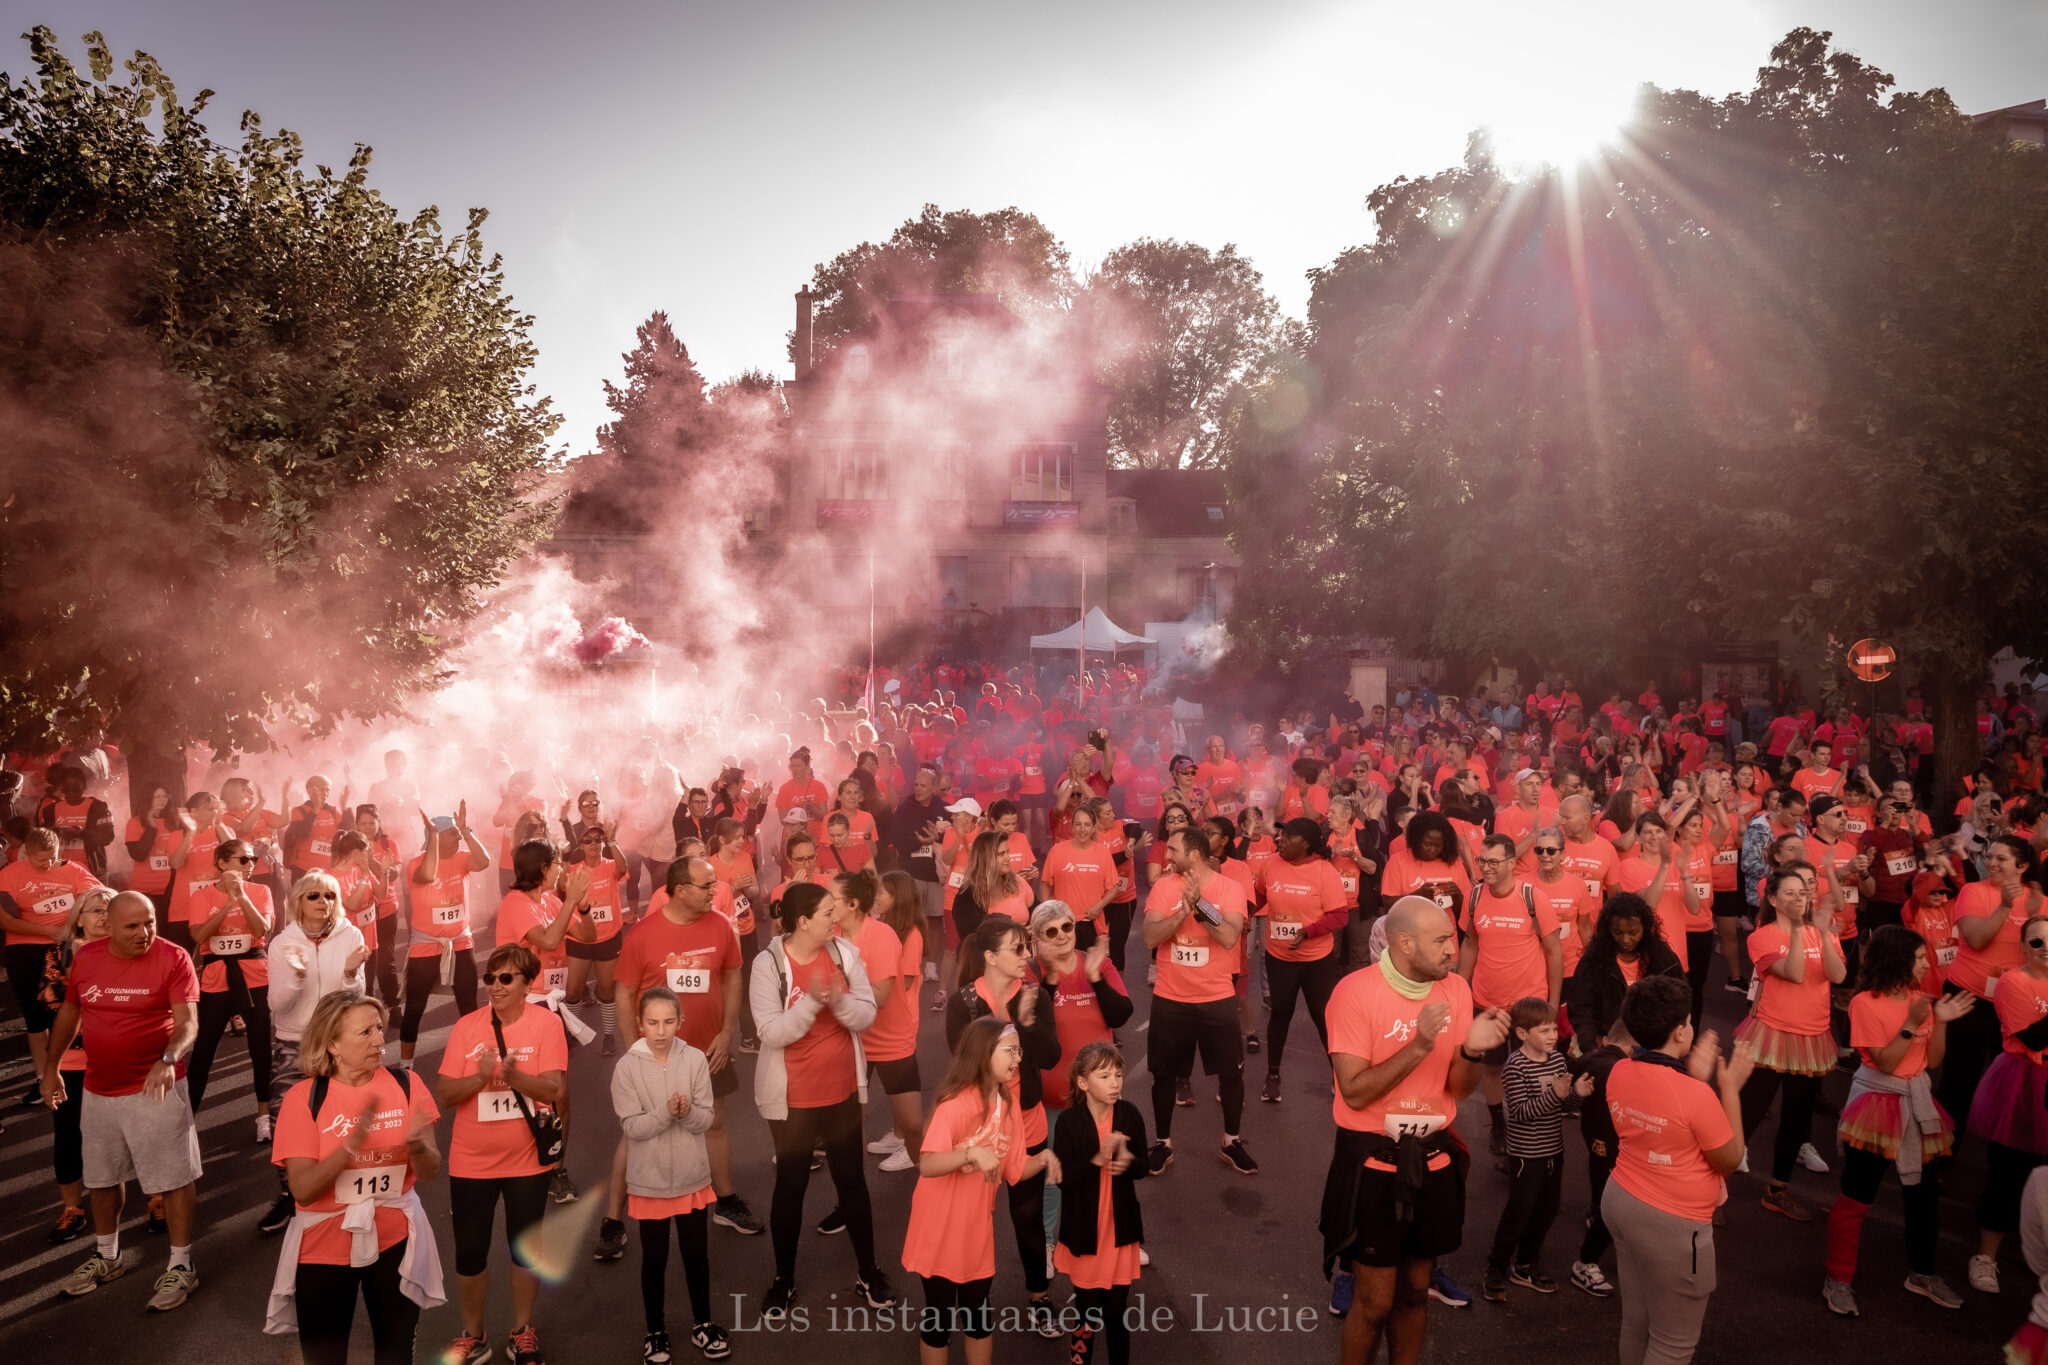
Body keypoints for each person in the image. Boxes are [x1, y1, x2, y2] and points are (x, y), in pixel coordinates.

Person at [1321, 895, 1510, 1365]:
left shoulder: (1457, 991)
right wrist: (1420, 1044)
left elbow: (1459, 1090)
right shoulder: (1353, 992)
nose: (1454, 948)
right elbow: (1355, 1092)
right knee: (1374, 1302)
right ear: (1405, 943)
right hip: (1372, 1158)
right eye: (1442, 939)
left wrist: (1471, 1052)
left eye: (1452, 937)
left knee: (1413, 1291)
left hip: (1433, 1155)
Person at [42, 890, 204, 1311]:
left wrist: (168, 1058)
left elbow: (188, 1022)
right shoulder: (88, 958)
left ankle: (182, 1265)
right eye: (131, 926)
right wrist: (51, 1067)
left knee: (173, 1178)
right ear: (108, 927)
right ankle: (107, 1256)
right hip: (99, 1090)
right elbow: (70, 1012)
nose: (143, 933)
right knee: (100, 1178)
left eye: (148, 922)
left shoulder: (173, 957)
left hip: (157, 1088)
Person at [263, 989, 444, 1365]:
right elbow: (303, 1190)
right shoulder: (304, 1097)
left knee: (395, 1356)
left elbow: (429, 1171)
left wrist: (418, 1146)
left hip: (395, 1239)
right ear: (332, 1043)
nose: (380, 1040)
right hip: (324, 1248)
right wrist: (349, 1147)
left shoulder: (407, 1085)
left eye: (379, 1028)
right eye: (365, 1033)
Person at [749, 882, 896, 1320]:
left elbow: (867, 1014)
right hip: (791, 1097)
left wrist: (840, 1002)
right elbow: (770, 1032)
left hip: (842, 1090)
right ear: (802, 922)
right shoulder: (768, 963)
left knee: (851, 1179)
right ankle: (784, 1279)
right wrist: (812, 1002)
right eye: (828, 913)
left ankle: (868, 1271)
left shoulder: (844, 954)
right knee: (791, 1185)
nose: (837, 919)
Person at [1819, 924, 1972, 1315]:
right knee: (1857, 1197)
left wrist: (1942, 1021)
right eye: (1920, 958)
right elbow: (1885, 1062)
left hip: (1917, 1101)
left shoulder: (1923, 1000)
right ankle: (1837, 1279)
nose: (1927, 964)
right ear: (1899, 960)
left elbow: (1933, 1061)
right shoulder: (1864, 1003)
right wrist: (1913, 1021)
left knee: (1923, 1199)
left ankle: (1922, 1273)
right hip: (1876, 1103)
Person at [1603, 975, 1752, 1365]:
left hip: (1621, 1199)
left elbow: (1666, 1114)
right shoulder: (1694, 1093)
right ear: (1681, 1030)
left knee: (1635, 1324)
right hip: (1673, 1224)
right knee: (1672, 1345)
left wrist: (1694, 1079)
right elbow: (1730, 1159)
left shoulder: (1618, 1070)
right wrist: (1731, 1088)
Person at [434, 942, 568, 1365]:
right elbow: (444, 1095)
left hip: (527, 1159)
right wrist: (479, 1077)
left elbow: (553, 1090)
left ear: (528, 984)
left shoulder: (546, 1025)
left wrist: (514, 1076)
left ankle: (522, 1331)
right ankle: (473, 1335)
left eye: (505, 978)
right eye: (489, 978)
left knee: (524, 1248)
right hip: (471, 1162)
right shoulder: (467, 1027)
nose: (494, 986)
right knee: (469, 1252)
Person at [903, 1016, 1060, 1365]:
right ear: (983, 1053)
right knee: (939, 1318)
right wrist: (970, 1153)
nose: (1018, 1057)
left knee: (978, 1316)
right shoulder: (955, 1104)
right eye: (1010, 1050)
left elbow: (1016, 1170)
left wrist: (1046, 1157)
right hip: (939, 1229)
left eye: (1019, 1050)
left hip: (975, 1230)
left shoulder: (1008, 1108)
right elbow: (927, 1164)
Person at [946, 914, 1064, 1335]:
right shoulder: (963, 1002)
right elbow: (962, 1068)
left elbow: (1050, 1058)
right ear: (990, 957)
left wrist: (1028, 1025)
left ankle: (1038, 1297)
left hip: (1027, 1122)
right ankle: (975, 1300)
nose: (1027, 955)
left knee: (1027, 1216)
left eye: (1026, 946)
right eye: (1018, 948)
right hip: (979, 1128)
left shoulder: (1034, 996)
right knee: (974, 1218)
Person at [612, 986, 730, 1362]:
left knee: (698, 1255)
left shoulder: (695, 1059)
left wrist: (686, 1113)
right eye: (652, 1022)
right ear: (638, 1022)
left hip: (693, 1179)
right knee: (655, 1259)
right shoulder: (627, 1067)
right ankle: (655, 1331)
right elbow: (633, 1127)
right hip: (650, 1182)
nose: (660, 1031)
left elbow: (706, 1119)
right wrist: (667, 1113)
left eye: (668, 1022)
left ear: (681, 1022)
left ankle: (703, 1323)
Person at [1142, 826, 1256, 1177]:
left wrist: (1200, 906)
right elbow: (1150, 936)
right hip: (1170, 998)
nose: (1167, 856)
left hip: (1216, 998)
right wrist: (1181, 912)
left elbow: (1228, 937)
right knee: (1163, 1075)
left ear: (1193, 854)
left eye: (1173, 850)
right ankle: (1163, 1144)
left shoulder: (1230, 889)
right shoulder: (1163, 886)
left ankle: (1231, 1141)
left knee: (1231, 1074)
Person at [261, 871, 370, 1235]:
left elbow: (355, 999)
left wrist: (352, 972)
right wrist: (295, 977)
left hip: (337, 1046)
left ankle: (349, 1191)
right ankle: (289, 1194)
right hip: (294, 1043)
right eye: (314, 896)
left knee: (343, 1122)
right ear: (299, 901)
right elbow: (275, 1003)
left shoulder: (350, 934)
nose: (322, 902)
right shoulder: (283, 943)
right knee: (285, 1123)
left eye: (329, 895)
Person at [1737, 866, 1846, 1220]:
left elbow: (1840, 975)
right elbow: (1796, 973)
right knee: (1747, 1113)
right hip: (1772, 1034)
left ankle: (1778, 1189)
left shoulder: (1822, 932)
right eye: (1790, 893)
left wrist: (1825, 936)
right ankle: (1712, 1184)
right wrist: (1801, 930)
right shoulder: (1762, 937)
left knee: (1797, 1119)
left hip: (1813, 1038)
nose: (1800, 898)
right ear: (1772, 898)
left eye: (1803, 893)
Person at [1458, 832, 1563, 1156]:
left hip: (1528, 1005)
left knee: (1530, 1068)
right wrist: (1461, 994)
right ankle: (1499, 1127)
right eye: (1481, 861)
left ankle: (1527, 1129)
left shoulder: (1534, 898)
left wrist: (1553, 1006)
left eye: (1492, 862)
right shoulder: (1474, 897)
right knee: (1491, 1067)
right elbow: (1471, 944)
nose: (1485, 868)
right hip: (1486, 1002)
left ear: (1511, 863)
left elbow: (1554, 952)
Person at [1483, 997, 1592, 1301]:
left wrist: (1577, 1095)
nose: (1551, 1036)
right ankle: (1496, 1266)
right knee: (1519, 1212)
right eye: (1543, 1031)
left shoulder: (1557, 1060)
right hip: (1525, 1157)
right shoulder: (1514, 1066)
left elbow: (1564, 1104)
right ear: (1521, 1034)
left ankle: (1526, 1264)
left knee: (1547, 1209)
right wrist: (1555, 1095)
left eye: (1553, 1030)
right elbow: (1518, 1112)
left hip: (1553, 1152)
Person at [1052, 1041, 1148, 1365]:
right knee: (1086, 1315)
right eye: (1104, 1076)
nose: (1115, 1083)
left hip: (1119, 1235)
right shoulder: (1068, 1122)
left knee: (1117, 1314)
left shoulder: (1130, 1114)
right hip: (1085, 1237)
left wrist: (1128, 1161)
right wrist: (1098, 1158)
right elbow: (1064, 1178)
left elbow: (1143, 1168)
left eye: (1118, 1075)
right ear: (1083, 1082)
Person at [1967, 912, 2048, 1296]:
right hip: (2024, 1085)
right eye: (2037, 942)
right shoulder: (2013, 982)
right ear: (2023, 947)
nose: (2045, 949)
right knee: (2009, 1172)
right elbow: (2033, 1039)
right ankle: (1985, 1257)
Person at [1942, 834, 2040, 1137]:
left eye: (2001, 858)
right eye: (1990, 856)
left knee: (2012, 1083)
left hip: (2013, 1005)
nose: (1991, 862)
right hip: (1966, 997)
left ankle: (2001, 1152)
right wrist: (2005, 907)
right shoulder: (1973, 891)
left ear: (2022, 866)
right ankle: (1942, 1154)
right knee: (1958, 1079)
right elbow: (1976, 939)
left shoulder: (2041, 902)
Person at [1, 826, 104, 1115]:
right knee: (35, 1015)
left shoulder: (74, 870)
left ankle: (76, 1071)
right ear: (26, 853)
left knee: (72, 1008)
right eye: (40, 861)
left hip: (69, 944)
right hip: (25, 947)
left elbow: (99, 901)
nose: (47, 865)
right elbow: (6, 920)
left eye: (52, 858)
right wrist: (49, 929)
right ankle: (41, 1077)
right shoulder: (10, 873)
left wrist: (72, 933)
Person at [1256, 817, 1350, 1106]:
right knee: (1280, 1013)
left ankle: (1339, 1076)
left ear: (1306, 843)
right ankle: (1273, 1076)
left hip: (1315, 960)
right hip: (1279, 956)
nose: (1279, 840)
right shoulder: (1270, 864)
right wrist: (1240, 917)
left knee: (1324, 1018)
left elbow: (1339, 915)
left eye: (1288, 836)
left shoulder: (1324, 872)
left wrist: (1308, 931)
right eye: (1281, 835)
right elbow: (1258, 895)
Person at [183, 838, 276, 1130]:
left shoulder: (262, 890)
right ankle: (185, 1121)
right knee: (203, 1051)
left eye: (252, 860)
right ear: (222, 863)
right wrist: (227, 906)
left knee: (260, 1047)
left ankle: (263, 1116)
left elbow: (262, 929)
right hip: (217, 979)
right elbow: (199, 937)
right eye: (242, 860)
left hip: (255, 976)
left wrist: (242, 897)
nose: (250, 865)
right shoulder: (201, 896)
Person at [42, 886, 114, 1243]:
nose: (104, 917)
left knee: (131, 1134)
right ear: (79, 919)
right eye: (97, 910)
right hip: (74, 1060)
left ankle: (156, 1198)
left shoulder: (130, 950)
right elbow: (52, 1002)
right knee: (69, 1135)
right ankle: (72, 1208)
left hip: (122, 1060)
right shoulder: (60, 953)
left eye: (110, 910)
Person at [401, 805, 492, 1063]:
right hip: (426, 944)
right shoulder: (415, 864)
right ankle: (406, 1065)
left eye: (458, 833)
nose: (459, 838)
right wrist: (433, 843)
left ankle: (475, 1059)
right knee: (416, 1006)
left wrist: (466, 829)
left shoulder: (462, 858)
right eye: (453, 833)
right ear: (435, 838)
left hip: (460, 940)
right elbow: (428, 875)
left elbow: (484, 861)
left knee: (468, 1005)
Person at [1030, 899, 1133, 1114]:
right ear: (1037, 938)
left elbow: (1120, 1016)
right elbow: (1032, 1028)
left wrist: (1095, 978)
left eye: (1066, 927)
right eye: (1051, 932)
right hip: (1051, 1104)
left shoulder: (1098, 963)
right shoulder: (1030, 972)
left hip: (1101, 1099)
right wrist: (1050, 978)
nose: (1061, 935)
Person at [1566, 894, 1683, 1053]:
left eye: (1633, 932)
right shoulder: (1593, 961)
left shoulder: (1664, 960)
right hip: (1607, 1047)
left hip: (1653, 1048)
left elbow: (1679, 1003)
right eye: (1618, 932)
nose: (1625, 939)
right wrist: (1590, 1048)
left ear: (1645, 928)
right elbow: (1581, 1011)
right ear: (1608, 929)